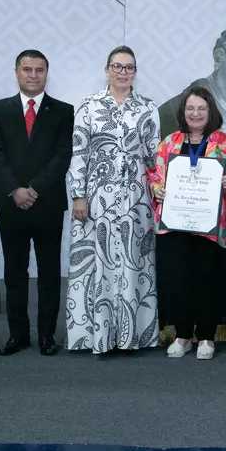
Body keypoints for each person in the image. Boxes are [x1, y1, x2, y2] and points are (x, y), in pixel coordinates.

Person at [66, 46, 161, 354]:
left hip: (137, 197)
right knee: (97, 264)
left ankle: (133, 335)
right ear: (106, 69)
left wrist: (159, 188)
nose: (123, 72)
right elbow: (79, 154)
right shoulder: (88, 106)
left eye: (129, 67)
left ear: (135, 72)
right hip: (96, 196)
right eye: (117, 67)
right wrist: (78, 195)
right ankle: (94, 337)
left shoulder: (147, 108)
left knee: (135, 262)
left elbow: (154, 157)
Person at [0, 49, 73, 357]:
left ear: (47, 73)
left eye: (39, 70)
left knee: (49, 273)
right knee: (15, 273)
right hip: (11, 204)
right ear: (16, 72)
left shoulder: (63, 110)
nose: (33, 75)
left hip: (48, 204)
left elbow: (63, 156)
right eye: (27, 70)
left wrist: (33, 188)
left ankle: (47, 336)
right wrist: (14, 190)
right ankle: (17, 335)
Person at [148, 87, 226, 360]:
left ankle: (207, 336)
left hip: (209, 228)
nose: (196, 113)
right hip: (174, 225)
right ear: (183, 111)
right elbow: (154, 175)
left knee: (207, 281)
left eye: (202, 108)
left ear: (210, 111)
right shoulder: (169, 143)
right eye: (191, 108)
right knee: (178, 280)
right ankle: (182, 334)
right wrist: (156, 188)